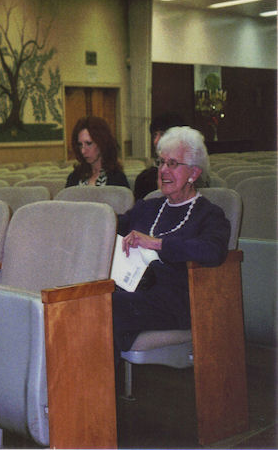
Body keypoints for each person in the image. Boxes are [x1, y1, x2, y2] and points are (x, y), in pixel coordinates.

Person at [112, 126, 230, 360]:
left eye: (173, 163)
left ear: (194, 173)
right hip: (133, 289)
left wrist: (158, 244)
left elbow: (213, 251)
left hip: (176, 300)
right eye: (161, 162)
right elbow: (111, 225)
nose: (164, 170)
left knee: (104, 306)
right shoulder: (148, 207)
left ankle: (94, 390)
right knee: (86, 299)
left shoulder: (209, 214)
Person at [133, 112, 185, 201]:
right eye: (154, 135)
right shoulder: (144, 179)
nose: (156, 141)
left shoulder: (189, 173)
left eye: (162, 134)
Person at [66, 116, 129, 188]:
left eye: (89, 143)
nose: (83, 151)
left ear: (102, 143)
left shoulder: (117, 178)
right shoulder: (74, 177)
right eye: (80, 145)